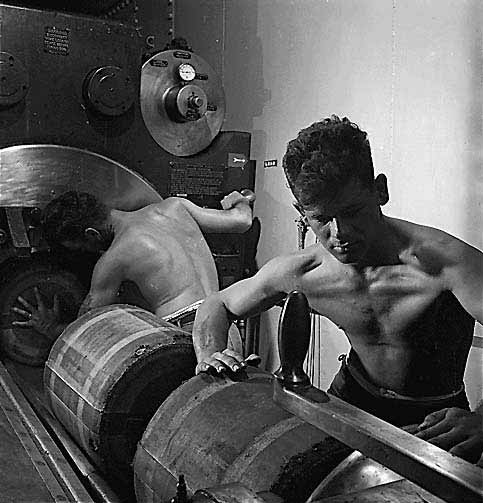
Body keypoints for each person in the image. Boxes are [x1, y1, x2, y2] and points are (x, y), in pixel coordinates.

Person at [191, 115, 483, 463]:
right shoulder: (304, 272)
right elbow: (217, 304)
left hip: (435, 419)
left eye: (352, 212)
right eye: (321, 219)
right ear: (302, 213)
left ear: (380, 191)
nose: (339, 233)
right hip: (351, 405)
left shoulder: (446, 263)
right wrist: (211, 354)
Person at [11, 189, 255, 341]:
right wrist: (239, 199)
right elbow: (242, 221)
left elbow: (84, 330)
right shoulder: (174, 206)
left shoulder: (113, 259)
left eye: (83, 248)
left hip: (188, 337)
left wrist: (49, 326)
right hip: (227, 323)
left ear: (92, 234)